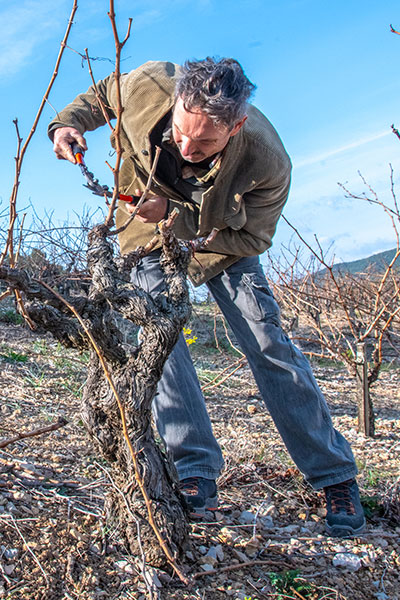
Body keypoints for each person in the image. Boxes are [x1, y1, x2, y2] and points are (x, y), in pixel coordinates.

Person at [49, 57, 366, 537]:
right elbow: (103, 91)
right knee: (164, 350)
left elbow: (253, 239)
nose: (188, 148)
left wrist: (177, 216)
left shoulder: (268, 160)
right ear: (175, 103)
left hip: (222, 245)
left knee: (268, 344)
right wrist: (67, 124)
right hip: (144, 235)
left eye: (207, 142)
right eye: (181, 133)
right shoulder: (149, 84)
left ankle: (334, 476)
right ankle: (195, 472)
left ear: (235, 127)